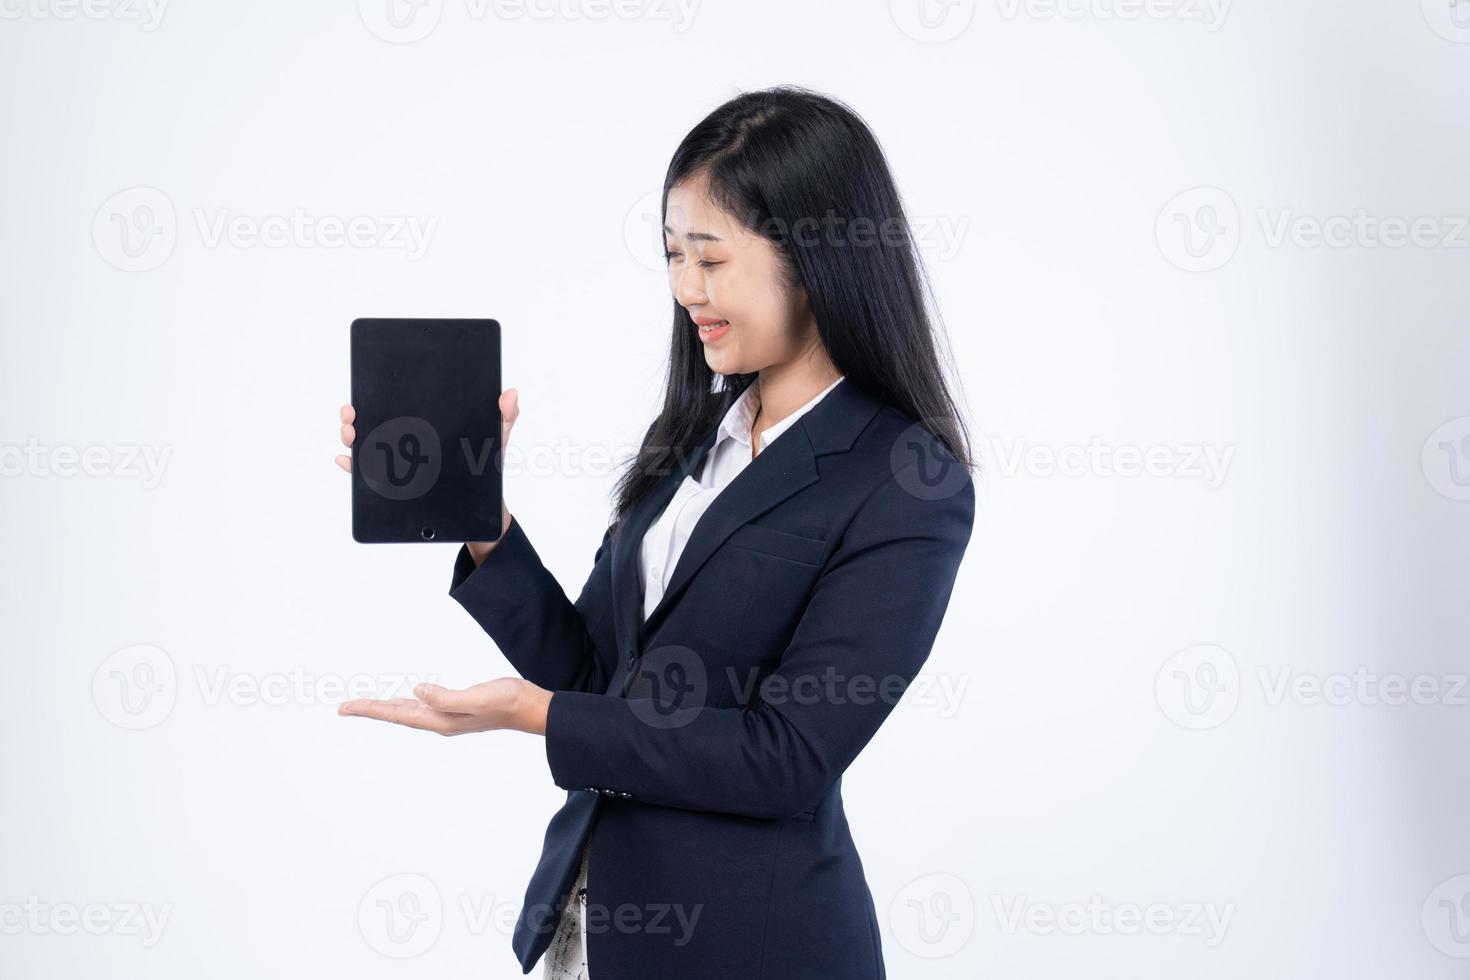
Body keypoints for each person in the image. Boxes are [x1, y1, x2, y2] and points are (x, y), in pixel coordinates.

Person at [335, 84, 976, 979]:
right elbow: (598, 675)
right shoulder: (691, 437)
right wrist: (478, 514)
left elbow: (785, 759)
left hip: (751, 947)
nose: (684, 290)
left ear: (816, 254)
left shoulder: (907, 481)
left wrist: (537, 718)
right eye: (672, 255)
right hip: (593, 933)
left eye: (709, 259)